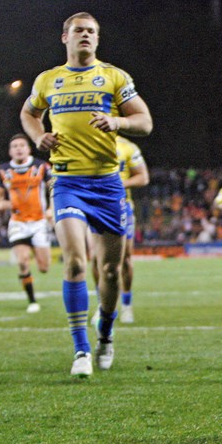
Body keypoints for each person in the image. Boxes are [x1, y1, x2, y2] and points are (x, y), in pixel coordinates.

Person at [20, 12, 153, 378]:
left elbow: (145, 121)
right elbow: (29, 113)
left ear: (97, 39)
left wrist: (118, 121)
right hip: (67, 183)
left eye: (92, 32)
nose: (86, 36)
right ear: (65, 36)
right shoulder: (49, 80)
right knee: (76, 262)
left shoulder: (114, 77)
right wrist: (37, 137)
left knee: (109, 270)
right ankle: (80, 350)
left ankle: (105, 335)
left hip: (108, 185)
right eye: (79, 30)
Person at [90, 136, 149, 325]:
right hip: (95, 206)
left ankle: (126, 305)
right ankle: (102, 306)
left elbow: (143, 177)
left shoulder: (128, 147)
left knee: (125, 258)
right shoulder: (87, 141)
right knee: (95, 258)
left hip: (122, 206)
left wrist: (118, 185)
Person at [0, 133, 53, 313]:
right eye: (15, 146)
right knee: (23, 261)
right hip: (18, 223)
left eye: (22, 145)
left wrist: (52, 209)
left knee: (44, 268)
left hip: (39, 222)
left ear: (28, 149)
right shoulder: (3, 170)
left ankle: (25, 276)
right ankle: (32, 301)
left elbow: (53, 187)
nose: (18, 148)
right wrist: (1, 204)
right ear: (10, 151)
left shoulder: (41, 166)